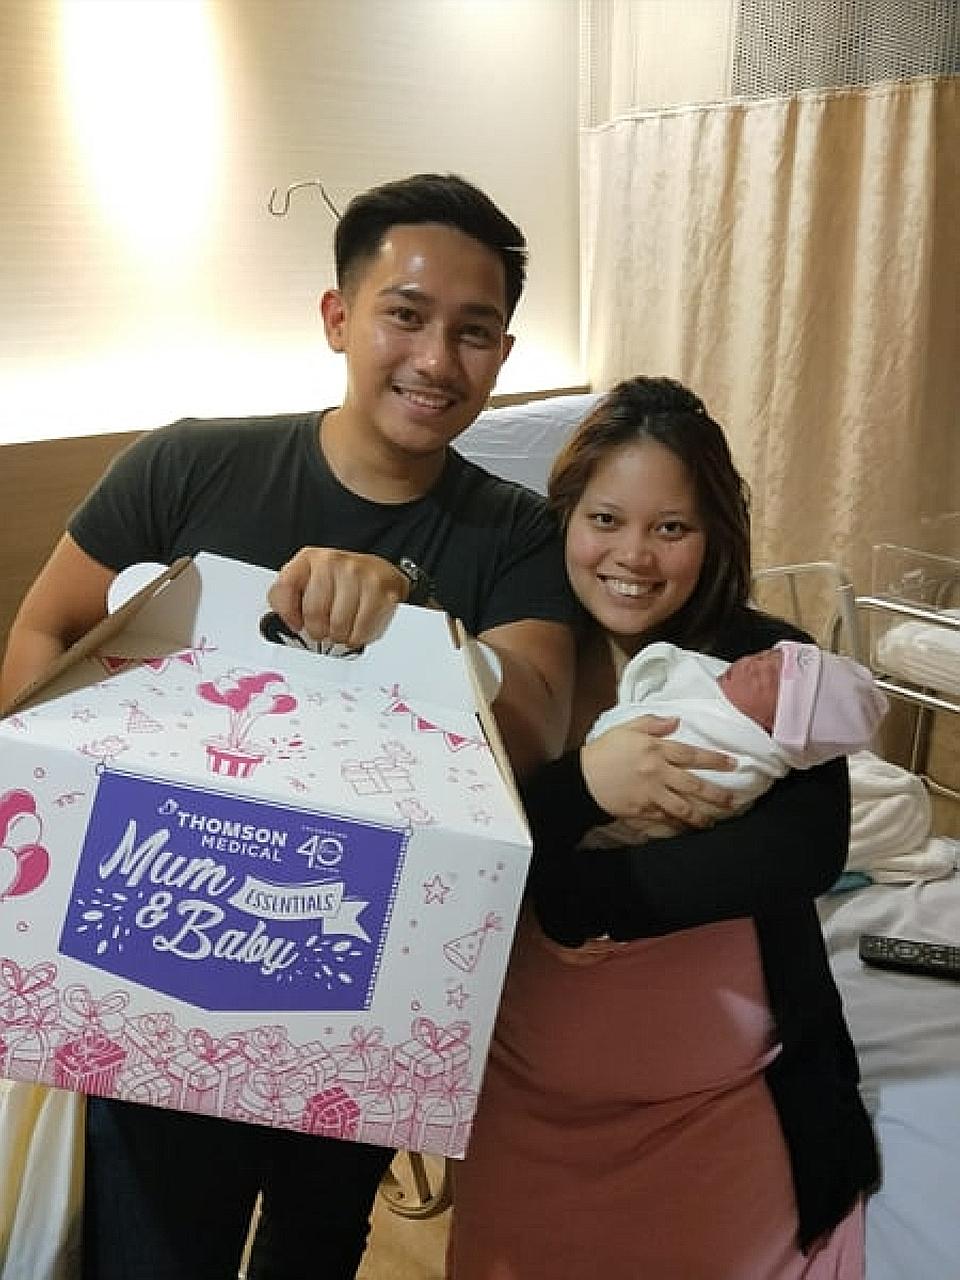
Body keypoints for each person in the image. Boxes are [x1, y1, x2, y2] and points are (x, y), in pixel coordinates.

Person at [0, 173, 632, 1280]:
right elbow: (46, 633)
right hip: (154, 962)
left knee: (316, 1243)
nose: (438, 359)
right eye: (406, 313)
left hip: (363, 984)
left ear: (504, 350)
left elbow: (532, 722)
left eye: (474, 332)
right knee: (148, 1245)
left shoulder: (516, 533)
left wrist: (413, 615)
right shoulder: (187, 462)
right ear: (338, 316)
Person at [447, 376, 880, 1279]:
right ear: (562, 520)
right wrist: (584, 788)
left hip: (726, 1111)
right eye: (605, 520)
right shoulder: (516, 664)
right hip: (526, 1119)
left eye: (669, 528)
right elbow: (455, 846)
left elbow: (801, 855)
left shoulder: (758, 668)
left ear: (713, 534)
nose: (633, 557)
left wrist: (568, 890)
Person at [582, 638, 888, 845]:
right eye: (764, 656)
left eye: (762, 680)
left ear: (777, 728)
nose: (749, 664)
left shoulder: (738, 757)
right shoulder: (719, 679)